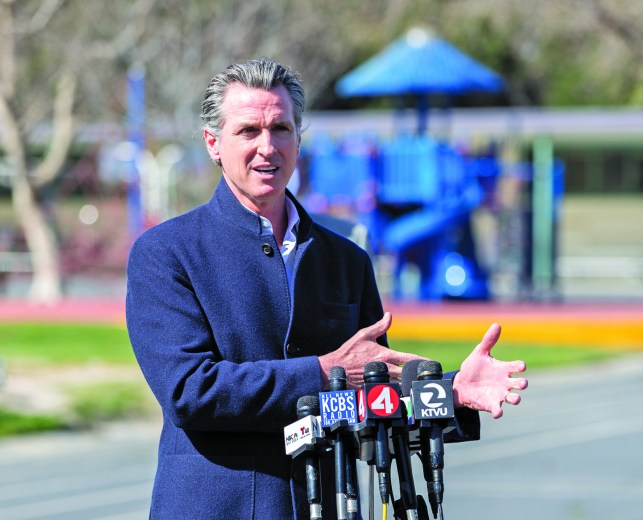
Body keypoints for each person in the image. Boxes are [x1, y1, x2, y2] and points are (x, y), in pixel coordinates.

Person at [126, 58, 527, 519]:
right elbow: (190, 392)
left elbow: (371, 400)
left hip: (328, 506)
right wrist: (322, 371)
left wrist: (451, 391)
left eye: (280, 128)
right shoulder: (166, 252)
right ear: (213, 143)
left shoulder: (346, 259)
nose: (267, 147)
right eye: (248, 132)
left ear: (299, 139)